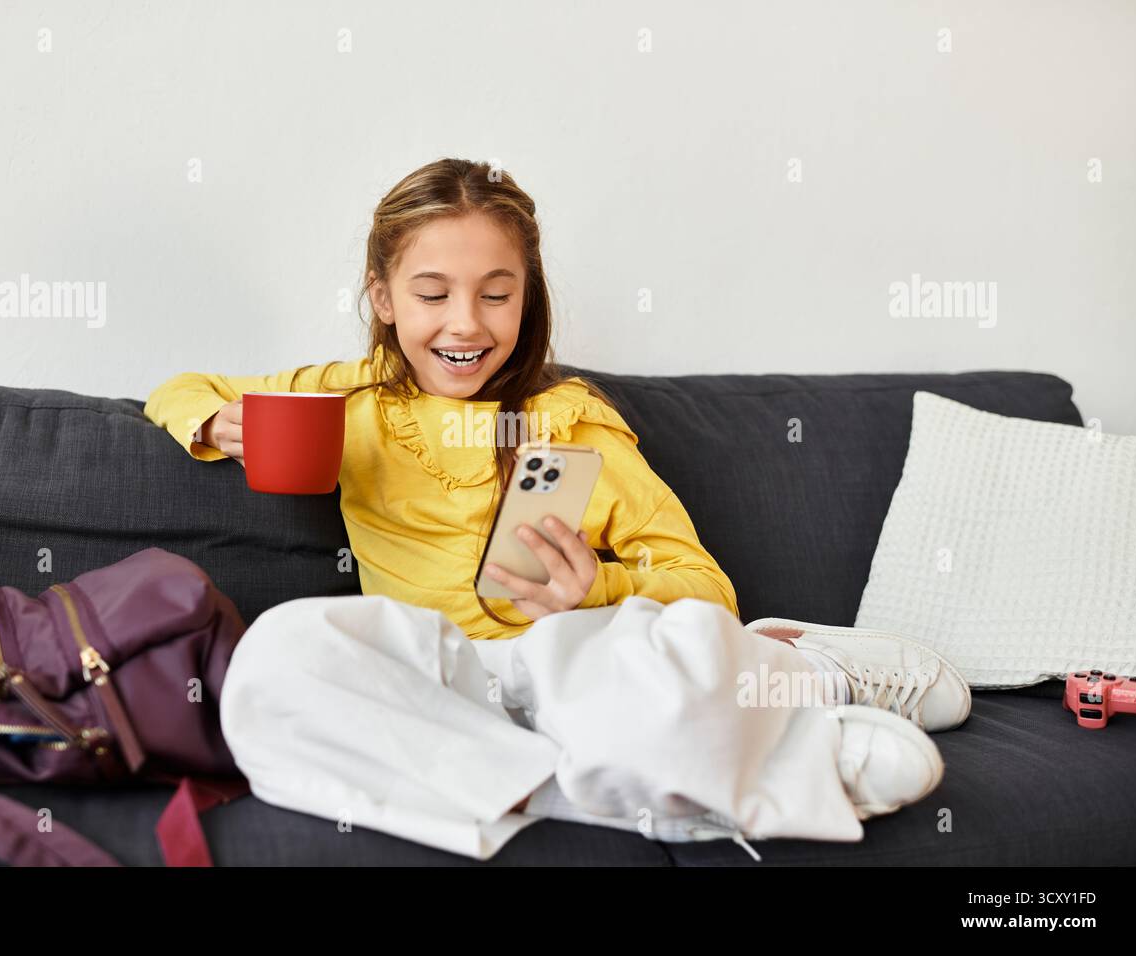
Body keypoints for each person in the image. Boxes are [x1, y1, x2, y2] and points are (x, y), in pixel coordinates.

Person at [143, 157, 970, 860]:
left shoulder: (571, 423)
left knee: (658, 656)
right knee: (273, 663)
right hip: (435, 683)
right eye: (432, 293)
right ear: (383, 298)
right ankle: (632, 780)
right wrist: (215, 420)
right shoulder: (345, 398)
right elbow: (175, 388)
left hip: (573, 669)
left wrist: (599, 594)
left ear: (526, 297)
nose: (465, 324)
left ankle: (807, 681)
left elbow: (707, 588)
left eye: (495, 295)